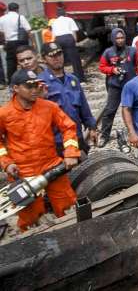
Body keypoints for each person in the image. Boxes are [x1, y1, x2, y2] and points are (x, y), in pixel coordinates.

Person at [0, 69, 80, 231]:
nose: (35, 89)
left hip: (51, 165)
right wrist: (7, 163)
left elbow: (69, 127)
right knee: (30, 217)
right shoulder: (4, 114)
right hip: (22, 172)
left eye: (36, 85)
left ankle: (75, 236)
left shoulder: (49, 107)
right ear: (16, 88)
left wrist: (70, 152)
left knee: (68, 207)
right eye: (29, 86)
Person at [38, 43, 97, 154]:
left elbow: (84, 107)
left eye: (59, 54)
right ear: (44, 59)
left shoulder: (73, 80)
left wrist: (92, 127)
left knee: (83, 169)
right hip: (57, 141)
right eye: (52, 56)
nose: (57, 58)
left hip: (76, 135)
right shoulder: (41, 83)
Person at [98, 28, 138, 147]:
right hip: (115, 86)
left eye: (122, 38)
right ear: (113, 39)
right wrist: (112, 70)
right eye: (117, 38)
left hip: (131, 86)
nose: (120, 40)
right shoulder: (108, 52)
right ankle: (104, 135)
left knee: (135, 109)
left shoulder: (132, 51)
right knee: (110, 110)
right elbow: (102, 67)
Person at [0, 3, 32, 85]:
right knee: (25, 60)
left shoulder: (2, 18)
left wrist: (4, 44)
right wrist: (33, 43)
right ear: (17, 9)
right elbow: (28, 31)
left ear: (8, 9)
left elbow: (1, 33)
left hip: (10, 43)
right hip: (21, 42)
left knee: (11, 63)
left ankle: (11, 82)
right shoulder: (20, 17)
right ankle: (28, 77)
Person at [51, 7, 83, 80]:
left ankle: (61, 76)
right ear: (65, 14)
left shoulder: (54, 22)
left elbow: (54, 35)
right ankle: (80, 77)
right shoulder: (69, 19)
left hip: (58, 39)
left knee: (60, 59)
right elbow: (74, 32)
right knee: (75, 59)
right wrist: (74, 42)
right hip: (68, 38)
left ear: (57, 15)